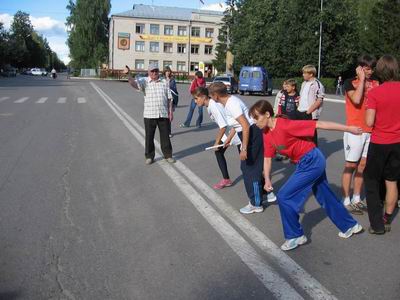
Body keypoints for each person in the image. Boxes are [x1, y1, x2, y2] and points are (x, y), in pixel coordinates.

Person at [249, 100, 363, 251]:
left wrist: (349, 129)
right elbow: (268, 158)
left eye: (256, 118)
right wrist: (268, 179)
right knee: (325, 196)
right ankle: (351, 226)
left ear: (267, 114)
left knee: (284, 196)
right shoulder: (266, 133)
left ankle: (295, 236)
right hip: (305, 162)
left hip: (312, 160)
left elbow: (319, 125)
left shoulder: (285, 125)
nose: (254, 122)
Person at [208, 82, 276, 214]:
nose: (211, 98)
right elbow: (237, 125)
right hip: (249, 134)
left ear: (216, 96)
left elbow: (245, 125)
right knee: (250, 168)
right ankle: (265, 194)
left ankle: (256, 203)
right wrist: (228, 139)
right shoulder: (229, 102)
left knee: (251, 170)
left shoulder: (231, 104)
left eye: (211, 96)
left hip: (252, 135)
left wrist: (244, 148)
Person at [364, 55, 400, 234]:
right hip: (398, 143)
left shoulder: (375, 93)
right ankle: (387, 216)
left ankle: (377, 225)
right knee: (392, 181)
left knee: (371, 181)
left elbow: (369, 122)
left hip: (379, 142)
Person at [341, 55, 379, 215]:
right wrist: (362, 80)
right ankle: (345, 199)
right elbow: (356, 100)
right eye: (366, 68)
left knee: (363, 166)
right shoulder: (350, 82)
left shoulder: (377, 83)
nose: (370, 71)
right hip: (354, 130)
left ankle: (357, 198)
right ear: (360, 68)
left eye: (372, 68)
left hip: (371, 131)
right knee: (351, 165)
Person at [124, 64, 175, 165]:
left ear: (158, 72)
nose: (154, 73)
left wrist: (171, 112)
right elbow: (134, 84)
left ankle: (168, 155)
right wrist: (128, 75)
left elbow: (170, 98)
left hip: (163, 114)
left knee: (165, 137)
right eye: (152, 71)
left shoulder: (164, 82)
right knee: (149, 137)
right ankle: (149, 156)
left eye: (156, 71)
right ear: (148, 72)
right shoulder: (145, 82)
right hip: (149, 115)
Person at [193, 87, 241, 189]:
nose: (195, 101)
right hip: (230, 132)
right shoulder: (210, 105)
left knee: (247, 163)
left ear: (203, 97)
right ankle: (226, 179)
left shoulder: (213, 106)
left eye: (196, 98)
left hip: (237, 131)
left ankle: (264, 185)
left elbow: (223, 127)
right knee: (219, 152)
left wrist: (216, 142)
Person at [297, 65, 325, 146]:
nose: (303, 75)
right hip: (300, 110)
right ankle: (302, 153)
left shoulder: (317, 84)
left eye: (304, 73)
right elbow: (304, 95)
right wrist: (299, 100)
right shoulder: (303, 83)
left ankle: (314, 154)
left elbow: (319, 100)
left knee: (311, 135)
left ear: (311, 74)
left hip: (309, 113)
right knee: (300, 134)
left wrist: (309, 111)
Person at [163, 66, 178, 138]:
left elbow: (174, 90)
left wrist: (169, 86)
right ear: (164, 72)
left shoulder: (172, 80)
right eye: (166, 71)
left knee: (169, 117)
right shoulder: (161, 79)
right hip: (163, 100)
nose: (168, 73)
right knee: (163, 117)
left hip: (170, 100)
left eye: (169, 71)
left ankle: (169, 132)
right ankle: (164, 131)